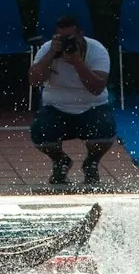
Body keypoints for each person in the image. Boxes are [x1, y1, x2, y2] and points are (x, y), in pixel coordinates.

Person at [29, 16, 117, 190]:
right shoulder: (48, 49)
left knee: (105, 130)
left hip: (92, 107)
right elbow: (34, 80)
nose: (66, 43)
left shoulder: (97, 50)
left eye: (70, 39)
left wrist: (77, 62)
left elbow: (97, 87)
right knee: (39, 132)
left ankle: (91, 163)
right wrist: (50, 56)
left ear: (80, 35)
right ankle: (60, 161)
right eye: (62, 39)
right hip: (56, 109)